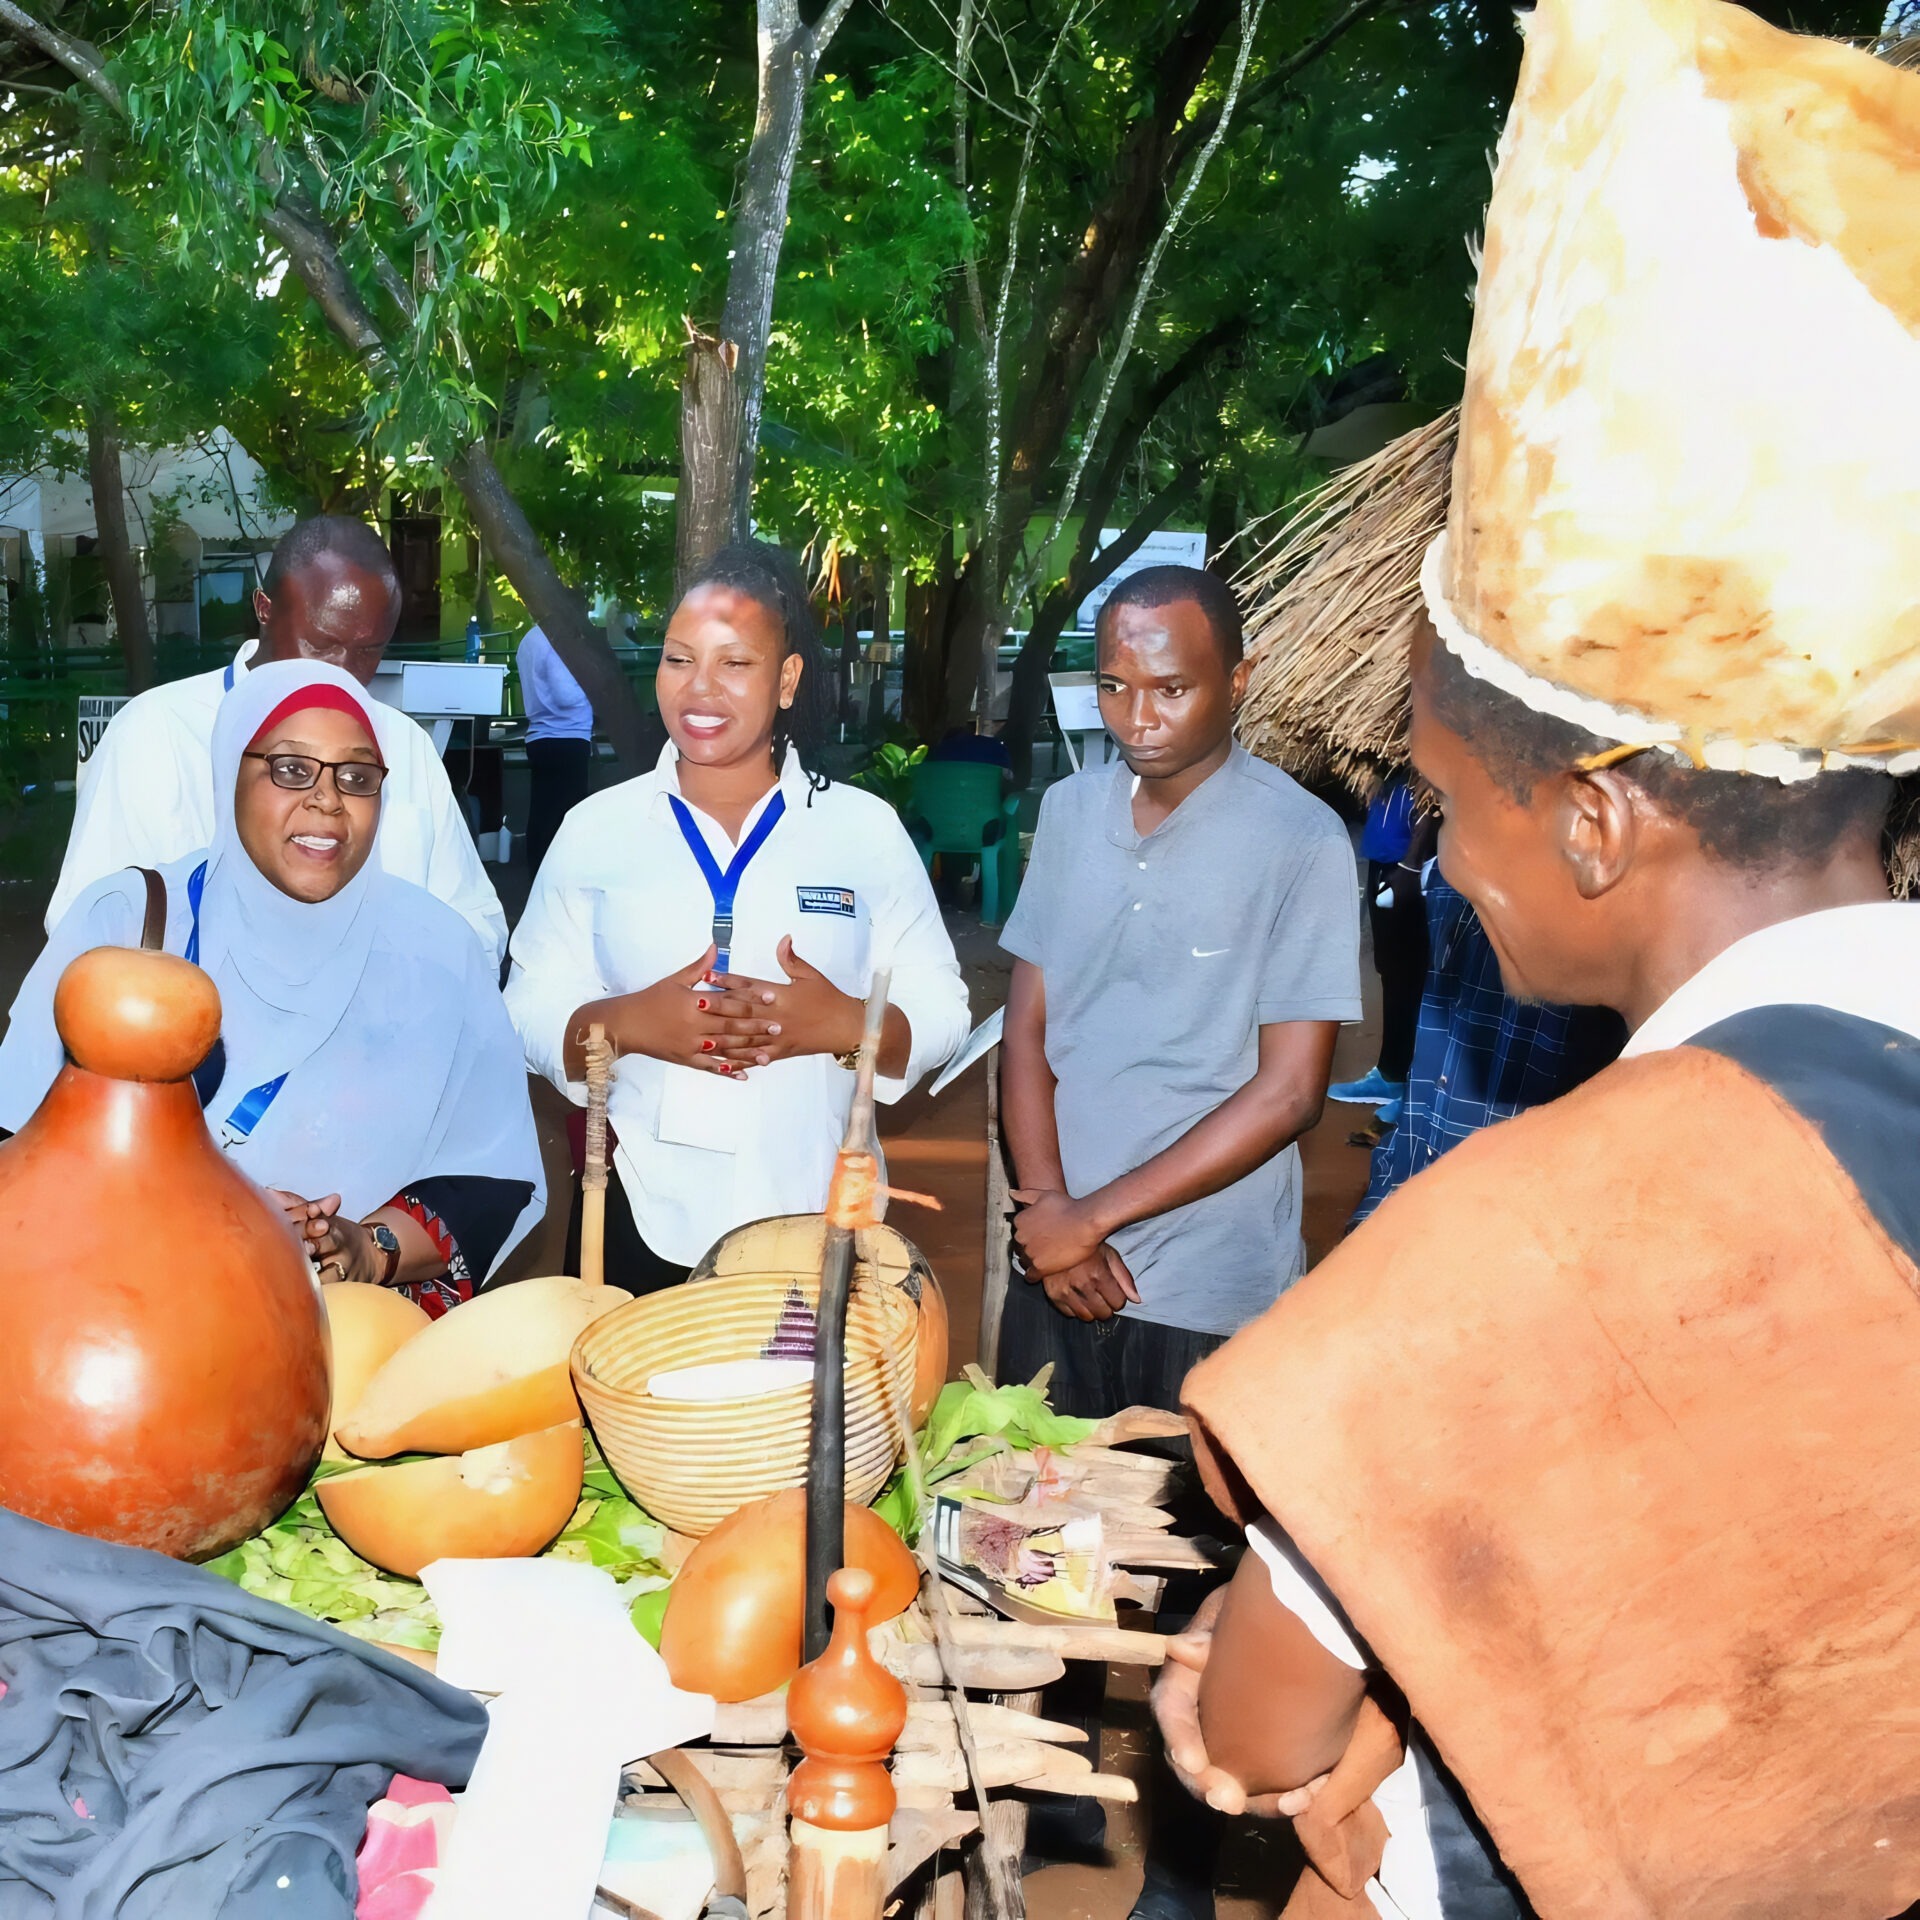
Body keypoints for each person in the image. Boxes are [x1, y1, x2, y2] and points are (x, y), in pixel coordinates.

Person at [1155, 3, 1920, 1914]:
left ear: (1594, 820)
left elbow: (1263, 1736)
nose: (1431, 855)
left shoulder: (1504, 1260)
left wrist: (1230, 1709)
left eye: (1437, 797)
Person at [997, 562, 1361, 1920]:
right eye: (1116, 685)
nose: (1138, 714)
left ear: (1239, 684)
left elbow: (1288, 1093)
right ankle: (1041, 1815)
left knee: (1192, 1579)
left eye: (1173, 685)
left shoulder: (1298, 843)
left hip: (1204, 1281)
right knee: (1034, 1542)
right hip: (1056, 1253)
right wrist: (1046, 1212)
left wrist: (1095, 1214)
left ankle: (1187, 1870)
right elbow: (1026, 1034)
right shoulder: (1065, 810)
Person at [0, 660, 542, 1318]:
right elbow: (20, 1148)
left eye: (357, 776)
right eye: (290, 768)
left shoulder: (437, 956)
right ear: (232, 773)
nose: (327, 799)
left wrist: (361, 1247)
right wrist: (216, 1223)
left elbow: (487, 1178)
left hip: (350, 1366)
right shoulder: (126, 925)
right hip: (129, 1341)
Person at [505, 540, 970, 1293]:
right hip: (640, 1214)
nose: (700, 690)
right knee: (643, 1410)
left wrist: (851, 1026)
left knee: (801, 1416)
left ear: (787, 679)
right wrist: (624, 1023)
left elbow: (944, 1005)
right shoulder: (596, 830)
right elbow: (526, 1005)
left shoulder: (863, 831)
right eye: (679, 659)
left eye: (735, 663)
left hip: (823, 1222)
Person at [51, 516, 507, 968]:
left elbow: (477, 928)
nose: (341, 671)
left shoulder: (405, 745)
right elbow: (87, 928)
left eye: (369, 650)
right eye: (321, 643)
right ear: (264, 608)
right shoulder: (154, 732)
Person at [1351, 868, 1623, 1223]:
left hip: (1505, 1227)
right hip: (1423, 1212)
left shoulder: (1586, 934)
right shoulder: (1450, 887)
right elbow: (1429, 1078)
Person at [1327, 780, 1425, 1120]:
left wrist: (1411, 868)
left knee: (1407, 975)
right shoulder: (1389, 764)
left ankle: (1399, 1077)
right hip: (1385, 863)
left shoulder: (1427, 757)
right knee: (1391, 970)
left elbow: (1436, 807)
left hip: (1409, 871)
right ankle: (1392, 1074)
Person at [516, 622, 596, 875]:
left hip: (539, 734)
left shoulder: (528, 640)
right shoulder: (557, 639)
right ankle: (562, 874)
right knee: (569, 812)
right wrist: (593, 690)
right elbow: (565, 695)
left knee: (541, 812)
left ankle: (537, 873)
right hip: (569, 735)